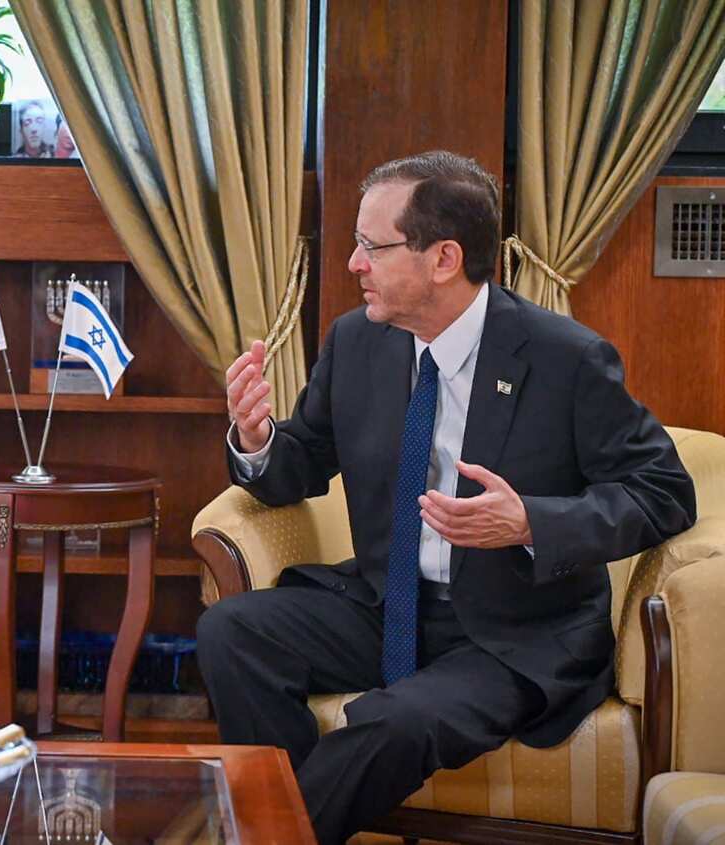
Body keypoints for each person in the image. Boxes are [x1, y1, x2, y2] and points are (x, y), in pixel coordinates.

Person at [197, 150, 696, 845]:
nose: (353, 264)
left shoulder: (564, 358)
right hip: (384, 605)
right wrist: (255, 439)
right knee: (232, 632)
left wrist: (530, 521)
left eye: (372, 246)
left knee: (396, 720)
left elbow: (664, 491)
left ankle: (257, 836)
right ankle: (290, 825)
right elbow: (301, 465)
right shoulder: (357, 342)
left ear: (443, 258)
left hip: (513, 630)